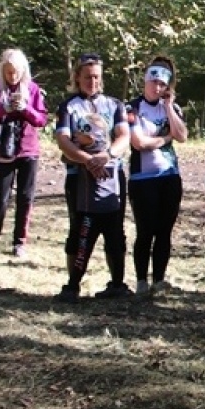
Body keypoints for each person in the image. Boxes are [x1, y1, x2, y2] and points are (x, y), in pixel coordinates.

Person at [52, 52, 133, 303]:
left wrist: (106, 156)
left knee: (115, 231)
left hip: (112, 176)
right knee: (80, 229)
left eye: (97, 77)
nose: (93, 82)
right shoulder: (68, 106)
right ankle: (72, 284)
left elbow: (124, 136)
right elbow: (63, 140)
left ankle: (117, 283)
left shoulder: (115, 105)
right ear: (77, 77)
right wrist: (86, 160)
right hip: (79, 177)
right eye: (88, 77)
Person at [0, 48, 48, 258]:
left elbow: (41, 120)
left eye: (16, 72)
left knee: (25, 197)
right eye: (8, 72)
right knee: (1, 198)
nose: (12, 76)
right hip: (3, 150)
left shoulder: (32, 89)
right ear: (2, 71)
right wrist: (2, 108)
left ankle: (19, 243)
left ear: (23, 70)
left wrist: (25, 108)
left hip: (28, 150)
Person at [127, 56, 189, 297]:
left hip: (169, 176)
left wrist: (168, 108)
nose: (157, 87)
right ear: (145, 81)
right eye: (153, 82)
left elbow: (182, 135)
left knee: (164, 231)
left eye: (162, 84)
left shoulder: (172, 107)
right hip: (142, 179)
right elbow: (139, 142)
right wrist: (165, 139)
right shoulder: (131, 108)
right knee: (145, 230)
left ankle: (159, 279)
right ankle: (141, 280)